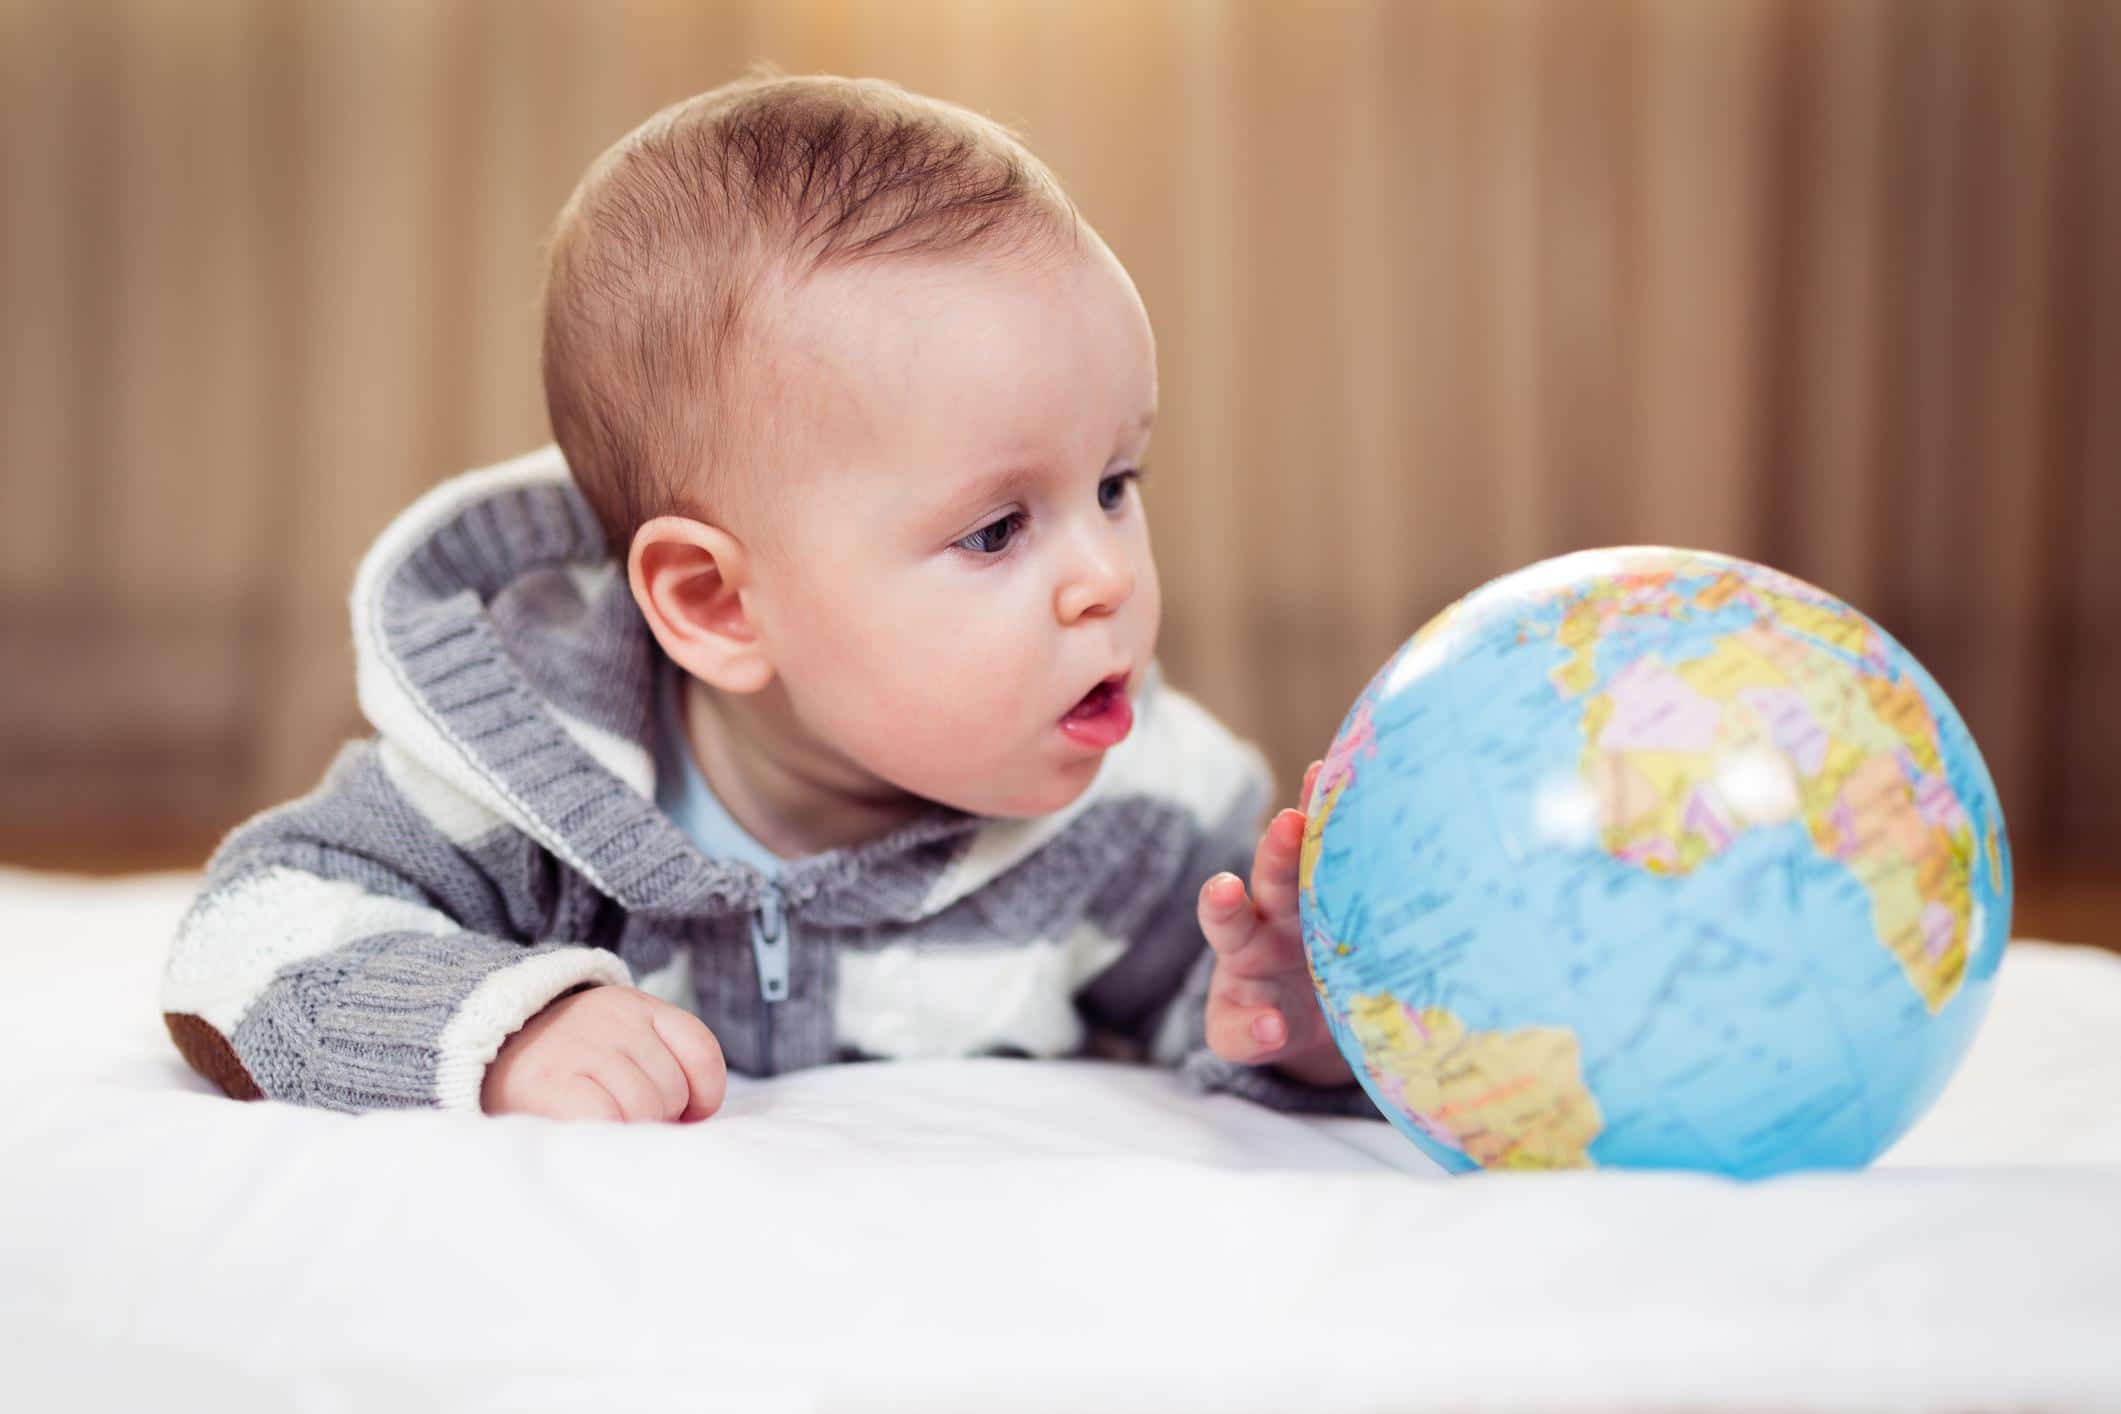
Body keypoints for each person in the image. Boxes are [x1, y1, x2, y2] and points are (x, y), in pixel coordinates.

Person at [160, 65, 1379, 1126]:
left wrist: (1302, 1026)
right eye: (998, 528)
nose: (1108, 576)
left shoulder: (1149, 812)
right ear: (718, 606)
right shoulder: (527, 775)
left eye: (1116, 483)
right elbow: (244, 935)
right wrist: (507, 1028)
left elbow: (1220, 1003)